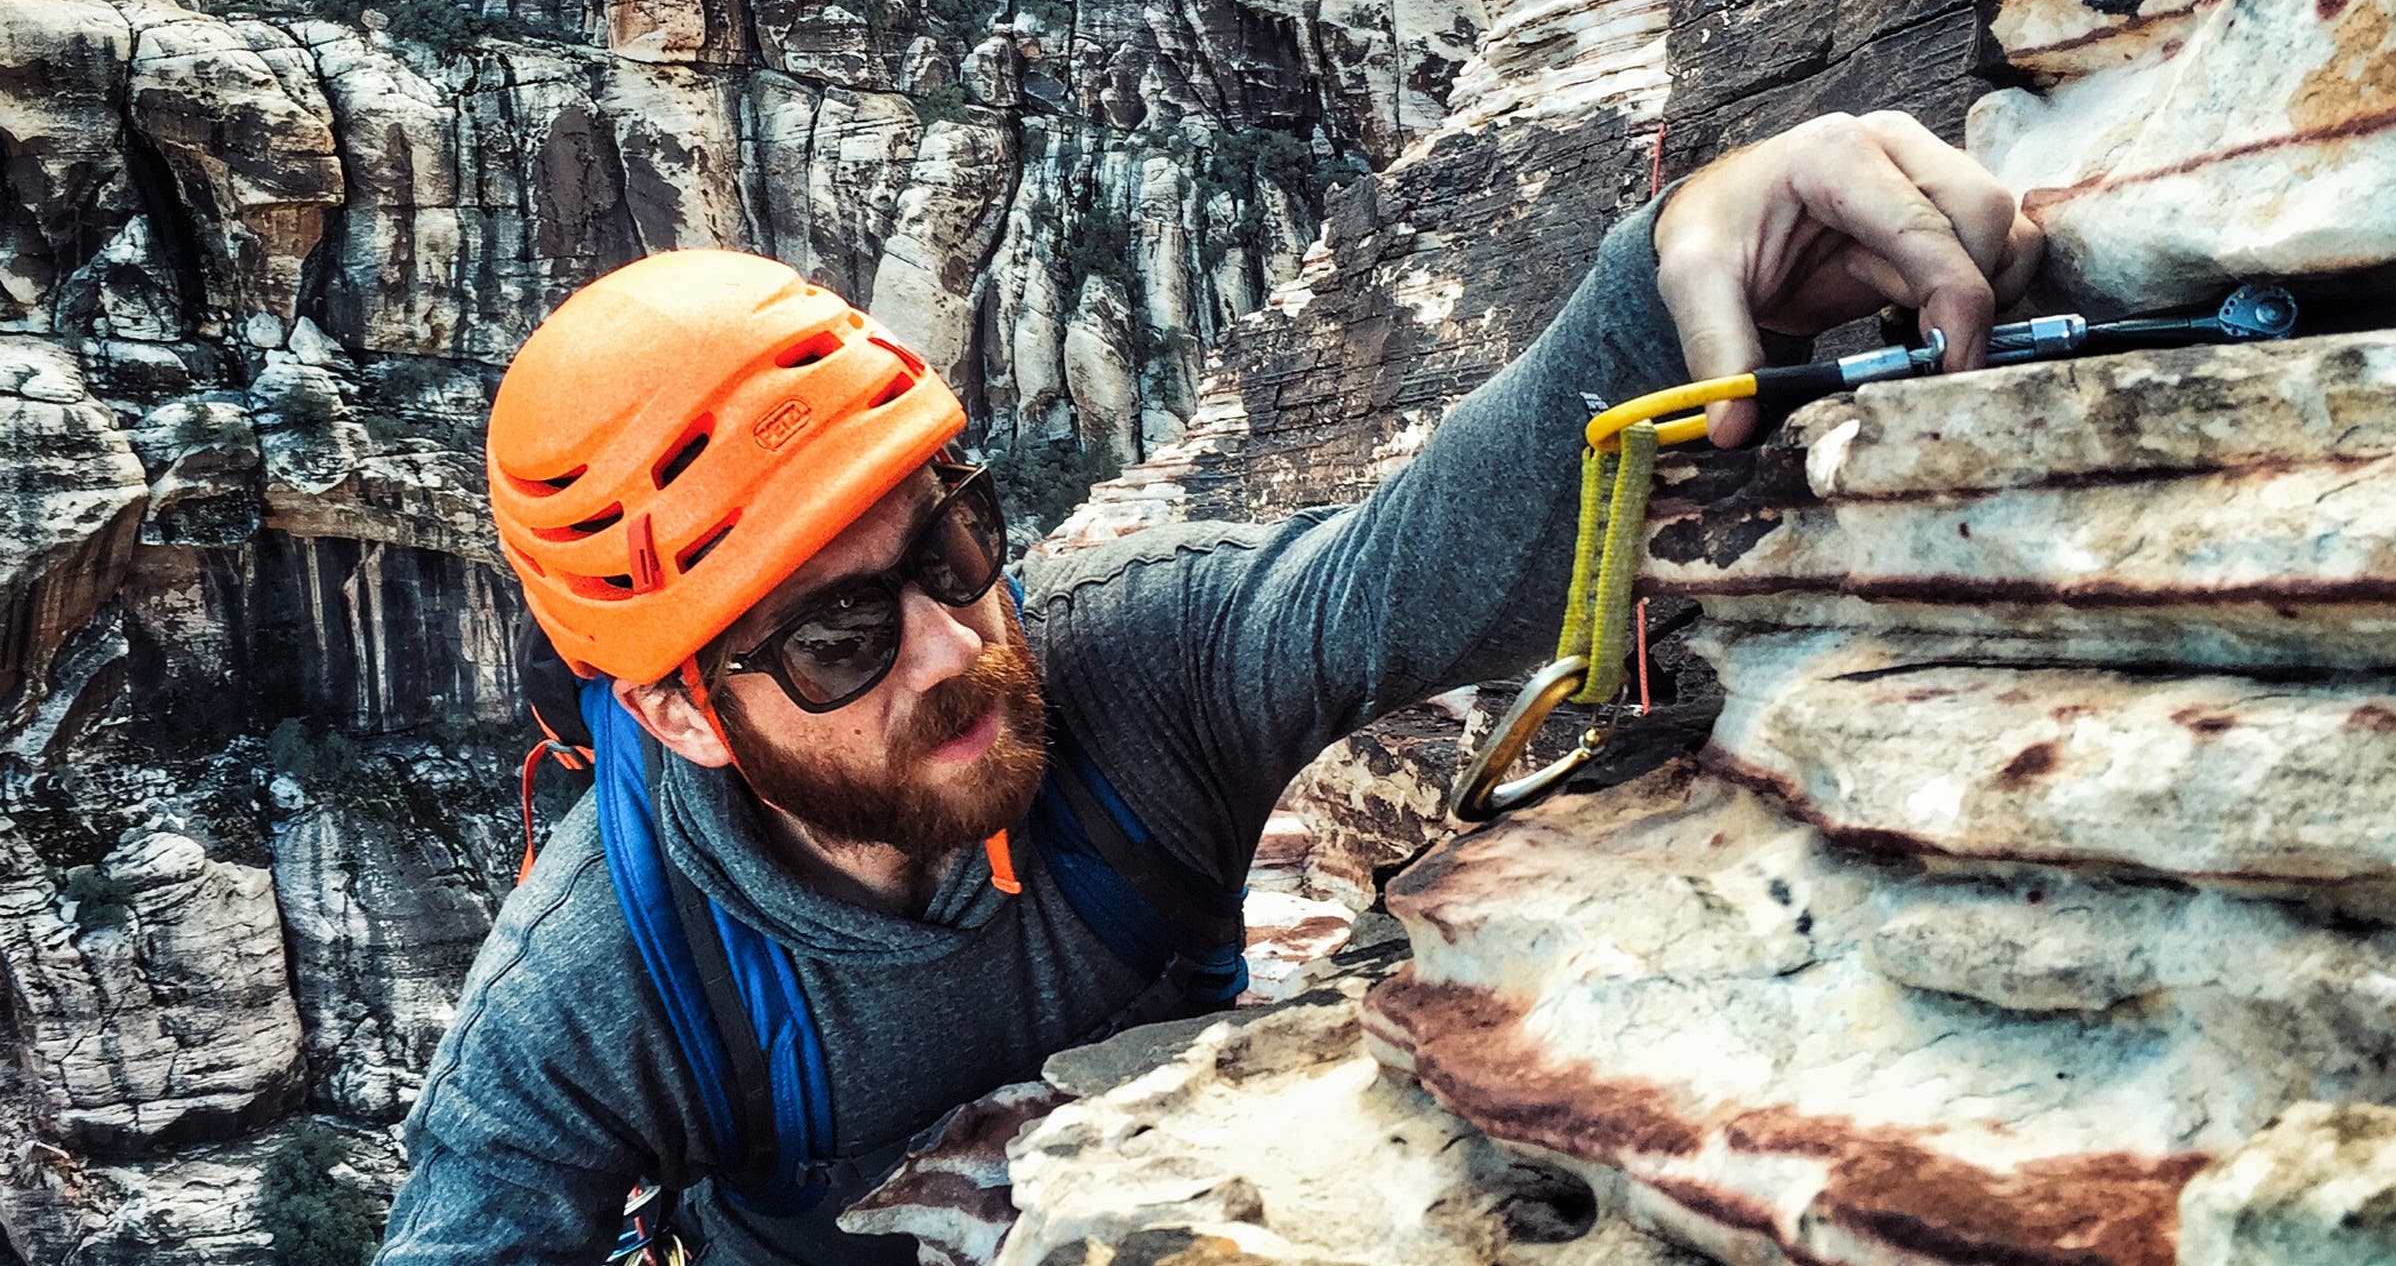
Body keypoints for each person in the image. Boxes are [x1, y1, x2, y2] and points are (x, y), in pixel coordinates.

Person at [372, 111, 2043, 1264]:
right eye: (837, 637)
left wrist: (1686, 263)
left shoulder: (1129, 664)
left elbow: (1424, 569)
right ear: (676, 711)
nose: (961, 643)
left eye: (954, 541)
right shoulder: (599, 988)